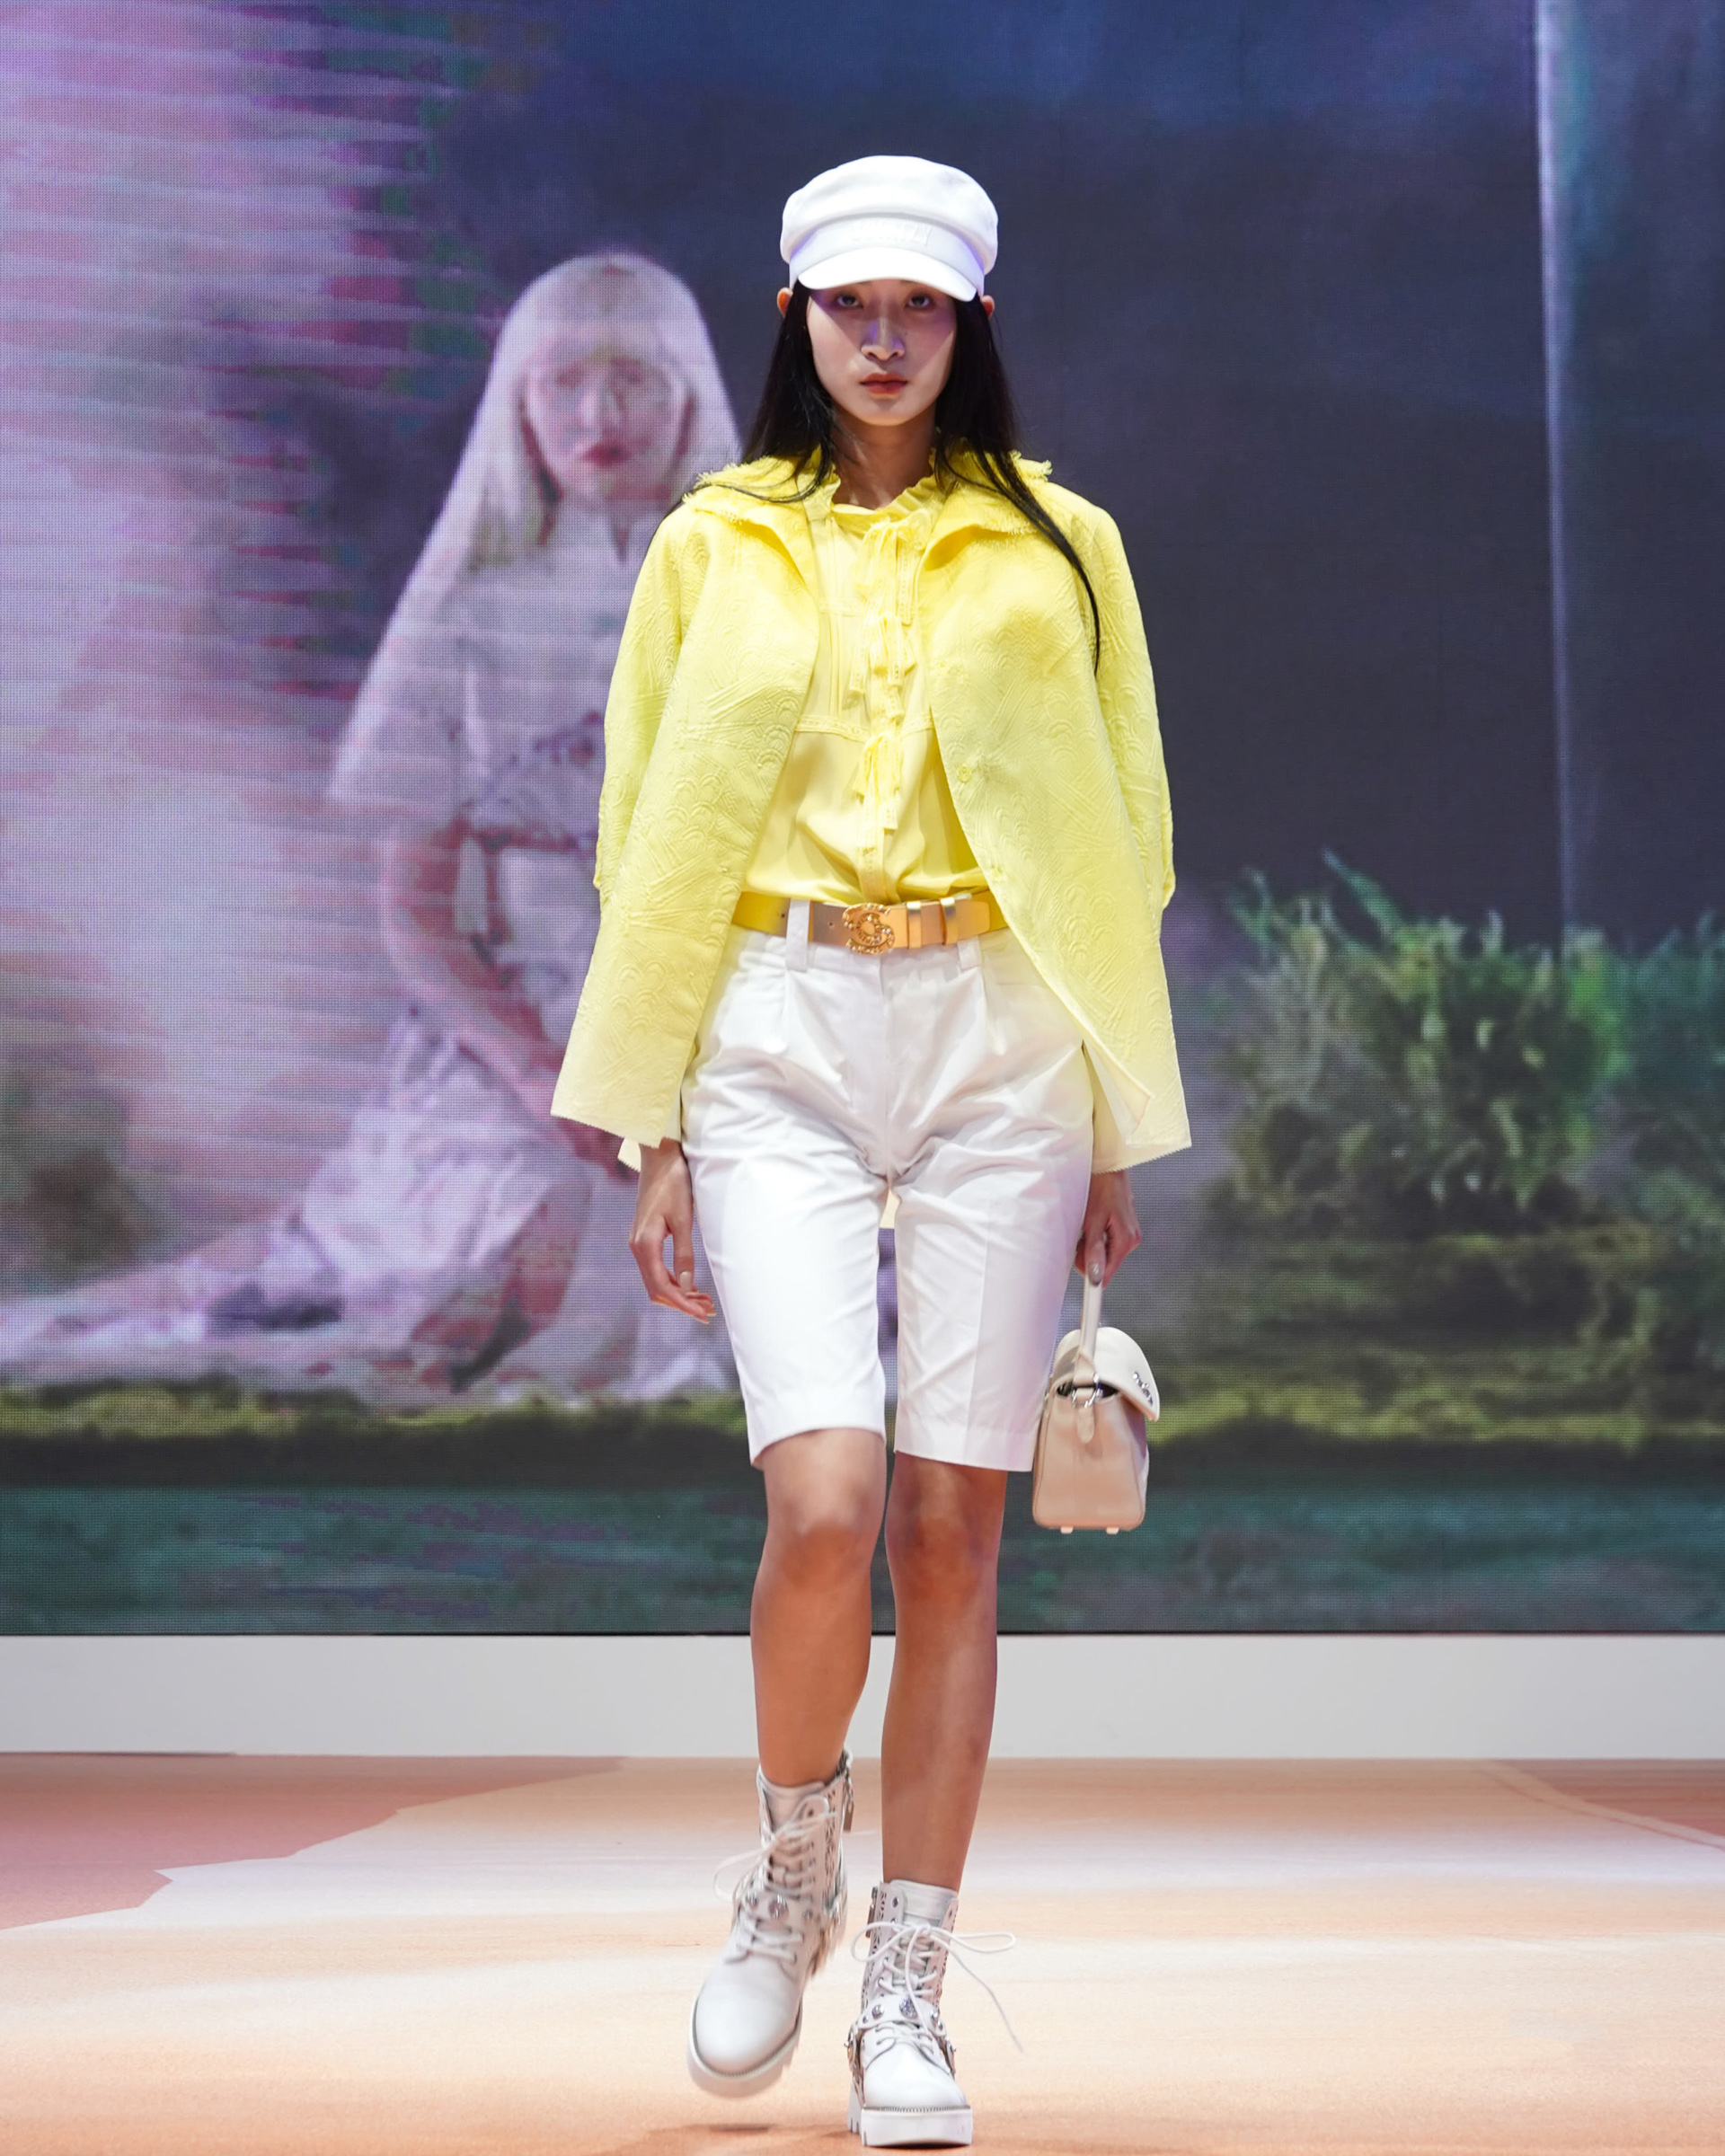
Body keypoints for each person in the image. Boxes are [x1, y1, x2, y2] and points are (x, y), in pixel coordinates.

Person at [553, 160, 1189, 2144]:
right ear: (797, 319)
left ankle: (908, 1982)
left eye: (922, 306)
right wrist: (656, 1123)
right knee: (824, 1501)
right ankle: (793, 1865)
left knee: (949, 1532)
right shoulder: (711, 543)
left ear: (972, 323)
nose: (886, 338)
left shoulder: (1062, 546)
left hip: (1001, 1035)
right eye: (853, 305)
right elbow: (642, 832)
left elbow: (1129, 838)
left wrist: (1107, 1115)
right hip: (775, 1029)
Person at [0, 252, 739, 1404]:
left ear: (688, 396)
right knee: (487, 1277)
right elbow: (416, 910)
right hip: (510, 1051)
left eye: (634, 380)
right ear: (521, 404)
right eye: (565, 382)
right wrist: (535, 1068)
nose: (600, 415)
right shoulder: (469, 623)